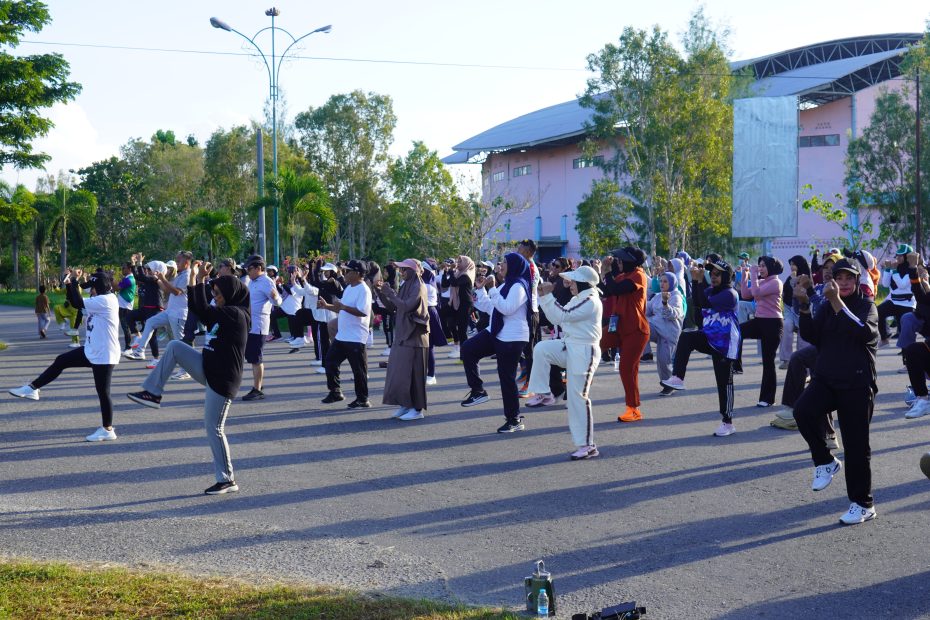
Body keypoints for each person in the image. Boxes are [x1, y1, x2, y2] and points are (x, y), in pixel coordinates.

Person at [127, 262, 251, 495]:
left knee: (214, 428)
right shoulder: (226, 312)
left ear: (231, 294)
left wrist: (198, 279)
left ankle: (227, 479)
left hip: (222, 379)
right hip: (207, 366)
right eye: (214, 294)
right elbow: (199, 307)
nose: (215, 297)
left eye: (218, 294)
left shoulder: (236, 315)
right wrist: (198, 279)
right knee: (174, 346)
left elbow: (201, 308)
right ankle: (153, 393)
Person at [793, 258, 879, 525]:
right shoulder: (828, 307)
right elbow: (812, 336)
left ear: (857, 280)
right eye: (839, 278)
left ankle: (863, 504)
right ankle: (825, 460)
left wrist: (837, 303)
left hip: (856, 384)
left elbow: (863, 332)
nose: (843, 283)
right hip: (828, 379)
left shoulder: (867, 306)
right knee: (803, 411)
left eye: (849, 278)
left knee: (856, 447)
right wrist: (805, 304)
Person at [9, 268, 121, 442]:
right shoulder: (101, 298)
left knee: (103, 392)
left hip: (104, 354)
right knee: (62, 360)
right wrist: (70, 283)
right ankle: (32, 388)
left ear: (98, 287)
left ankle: (108, 429)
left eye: (92, 286)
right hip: (92, 349)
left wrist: (74, 281)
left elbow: (76, 303)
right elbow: (76, 299)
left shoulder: (105, 300)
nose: (89, 290)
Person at [526, 266, 603, 459]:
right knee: (542, 349)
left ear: (583, 283)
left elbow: (562, 316)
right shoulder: (579, 298)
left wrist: (548, 296)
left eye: (573, 281)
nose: (569, 284)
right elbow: (556, 318)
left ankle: (588, 445)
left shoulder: (590, 300)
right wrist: (544, 296)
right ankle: (544, 393)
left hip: (584, 351)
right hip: (571, 346)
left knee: (578, 399)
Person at [662, 259, 741, 437]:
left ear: (726, 276)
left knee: (724, 383)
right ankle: (678, 377)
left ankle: (727, 422)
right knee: (687, 337)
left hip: (725, 344)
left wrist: (698, 281)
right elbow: (698, 302)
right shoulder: (711, 290)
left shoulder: (730, 294)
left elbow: (704, 302)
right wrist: (696, 280)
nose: (713, 277)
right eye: (711, 274)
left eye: (717, 274)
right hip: (710, 336)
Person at [460, 252, 531, 433]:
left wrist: (491, 288)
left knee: (506, 378)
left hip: (512, 337)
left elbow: (507, 308)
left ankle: (514, 419)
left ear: (514, 266)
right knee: (468, 349)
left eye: (505, 263)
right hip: (497, 332)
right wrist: (481, 289)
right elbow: (490, 307)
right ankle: (478, 391)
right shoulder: (506, 285)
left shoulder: (519, 286)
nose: (500, 266)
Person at [374, 259, 430, 421]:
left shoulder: (418, 286)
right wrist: (380, 292)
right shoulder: (407, 284)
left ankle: (417, 409)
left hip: (416, 337)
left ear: (413, 270)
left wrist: (390, 292)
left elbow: (406, 306)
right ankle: (406, 404)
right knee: (401, 374)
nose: (401, 272)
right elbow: (394, 308)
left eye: (404, 269)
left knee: (415, 375)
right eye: (400, 270)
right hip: (404, 335)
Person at [601, 246, 650, 422]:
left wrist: (607, 272)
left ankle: (633, 409)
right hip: (620, 327)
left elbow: (616, 289)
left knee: (627, 368)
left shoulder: (638, 275)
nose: (618, 262)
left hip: (636, 331)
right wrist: (604, 271)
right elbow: (607, 290)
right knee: (594, 343)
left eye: (621, 260)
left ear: (629, 261)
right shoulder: (624, 275)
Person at [319, 259, 372, 408]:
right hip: (343, 336)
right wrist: (327, 306)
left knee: (359, 370)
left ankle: (363, 399)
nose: (344, 273)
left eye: (347, 271)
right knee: (330, 362)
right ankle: (335, 392)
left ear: (357, 273)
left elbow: (363, 312)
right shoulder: (349, 288)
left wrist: (342, 307)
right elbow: (341, 308)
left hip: (356, 337)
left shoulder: (363, 289)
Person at [739, 256, 784, 407]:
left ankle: (767, 398)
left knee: (768, 362)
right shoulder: (763, 281)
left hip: (772, 324)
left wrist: (752, 272)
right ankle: (736, 364)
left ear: (771, 267)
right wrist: (745, 276)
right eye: (759, 266)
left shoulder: (776, 282)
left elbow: (756, 293)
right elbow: (746, 294)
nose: (760, 268)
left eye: (763, 266)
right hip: (759, 321)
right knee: (737, 332)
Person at [241, 256, 281, 401]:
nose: (247, 271)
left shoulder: (266, 282)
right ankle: (258, 384)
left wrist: (276, 297)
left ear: (258, 268)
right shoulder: (253, 282)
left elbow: (278, 302)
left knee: (256, 357)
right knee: (252, 357)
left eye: (249, 269)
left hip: (259, 326)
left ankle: (257, 389)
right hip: (251, 325)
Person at [646, 270, 684, 395]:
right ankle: (645, 355)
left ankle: (667, 385)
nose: (662, 284)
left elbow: (673, 315)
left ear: (672, 283)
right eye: (661, 281)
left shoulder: (676, 296)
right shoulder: (657, 296)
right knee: (640, 326)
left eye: (665, 281)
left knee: (664, 361)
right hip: (656, 328)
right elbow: (647, 309)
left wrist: (665, 303)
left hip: (669, 333)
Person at [878, 244, 916, 346]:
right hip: (894, 301)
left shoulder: (912, 269)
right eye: (897, 255)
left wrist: (894, 270)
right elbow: (885, 284)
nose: (898, 258)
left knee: (904, 332)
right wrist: (887, 269)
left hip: (907, 304)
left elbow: (902, 285)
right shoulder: (895, 267)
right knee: (878, 311)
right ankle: (884, 338)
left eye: (901, 255)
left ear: (907, 257)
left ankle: (907, 351)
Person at [779, 255, 811, 369]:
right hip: (789, 310)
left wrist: (795, 282)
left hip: (803, 311)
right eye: (791, 264)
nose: (792, 267)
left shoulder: (807, 278)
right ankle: (786, 359)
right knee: (787, 325)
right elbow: (785, 296)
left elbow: (802, 294)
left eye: (794, 264)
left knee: (803, 333)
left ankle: (802, 361)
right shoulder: (789, 278)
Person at [420, 260, 448, 385]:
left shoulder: (427, 285)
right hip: (423, 313)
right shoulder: (425, 282)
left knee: (429, 345)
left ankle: (431, 374)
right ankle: (424, 372)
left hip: (428, 313)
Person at [115, 262, 137, 354]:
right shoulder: (127, 278)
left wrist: (111, 278)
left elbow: (116, 288)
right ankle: (135, 342)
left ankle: (129, 348)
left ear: (129, 269)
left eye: (124, 268)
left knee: (126, 328)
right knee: (127, 327)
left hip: (125, 307)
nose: (122, 270)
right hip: (124, 306)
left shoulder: (129, 280)